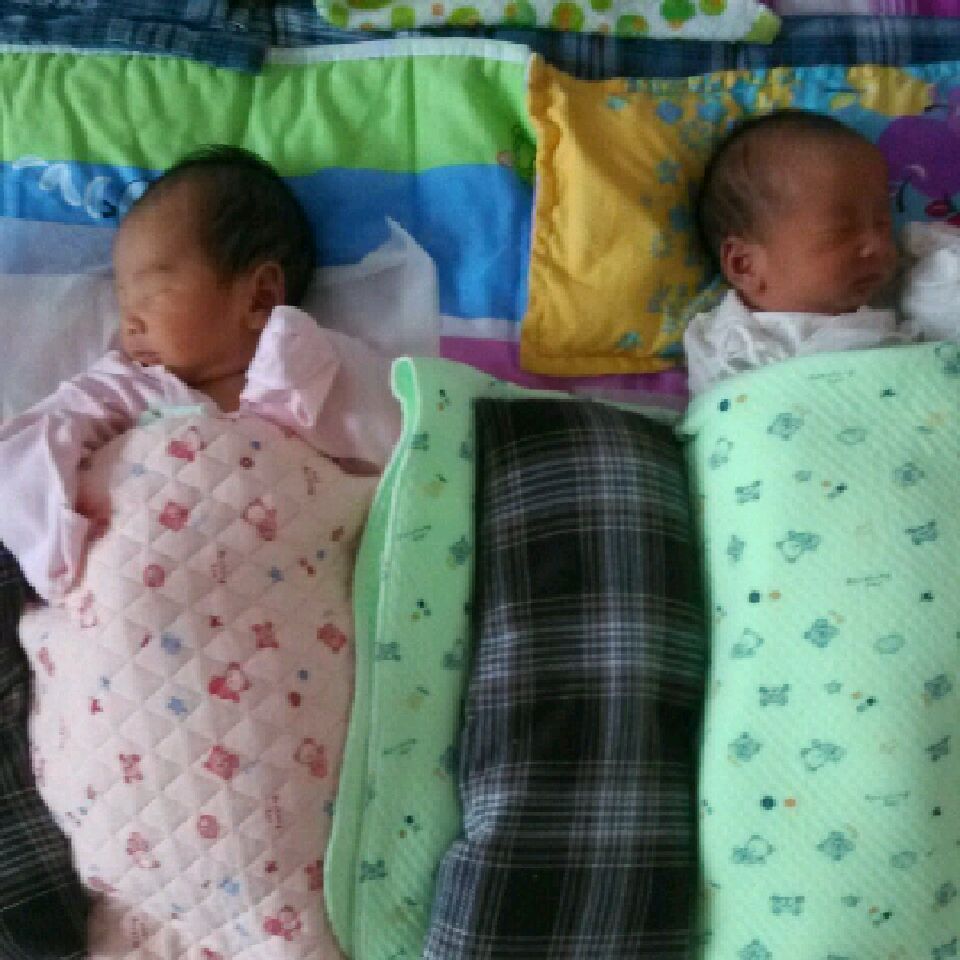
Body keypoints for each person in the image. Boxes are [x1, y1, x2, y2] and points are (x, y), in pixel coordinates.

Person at [0, 144, 401, 601]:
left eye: (151, 293)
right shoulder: (125, 387)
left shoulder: (316, 368)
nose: (130, 323)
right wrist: (53, 552)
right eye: (124, 301)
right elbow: (23, 456)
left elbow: (417, 446)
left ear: (259, 297)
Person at [683, 109, 906, 395]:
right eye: (840, 231)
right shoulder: (730, 345)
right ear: (745, 265)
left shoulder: (908, 291)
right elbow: (722, 412)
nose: (877, 245)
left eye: (883, 224)